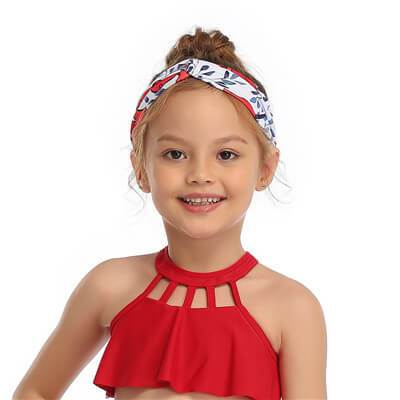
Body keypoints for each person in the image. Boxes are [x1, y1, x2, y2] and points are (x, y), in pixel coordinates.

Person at [13, 27, 327, 400]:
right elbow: (35, 391)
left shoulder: (293, 309)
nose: (200, 174)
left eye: (226, 154)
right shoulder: (108, 287)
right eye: (175, 154)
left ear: (265, 168)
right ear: (141, 168)